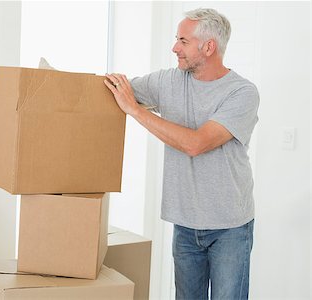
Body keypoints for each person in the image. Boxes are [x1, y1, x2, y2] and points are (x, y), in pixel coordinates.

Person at [104, 8, 259, 300]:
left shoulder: (242, 93)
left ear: (208, 47)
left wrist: (135, 110)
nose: (174, 47)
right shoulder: (167, 81)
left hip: (230, 227)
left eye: (183, 41)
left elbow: (196, 144)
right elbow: (113, 92)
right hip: (185, 224)